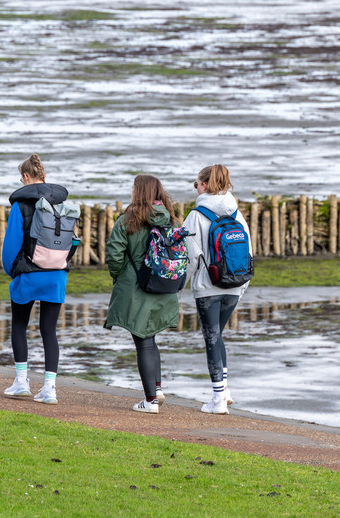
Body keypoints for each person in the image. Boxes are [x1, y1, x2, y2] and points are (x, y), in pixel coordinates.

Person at [105, 174, 182, 414]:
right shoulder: (170, 220)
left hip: (136, 287)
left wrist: (119, 278)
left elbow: (114, 255)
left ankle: (149, 400)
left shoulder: (128, 220)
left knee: (143, 342)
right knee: (150, 338)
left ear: (138, 192)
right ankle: (156, 389)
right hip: (164, 285)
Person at [182, 164, 252, 415]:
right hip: (236, 284)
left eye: (196, 184)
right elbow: (249, 253)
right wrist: (242, 287)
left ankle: (218, 398)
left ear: (203, 185)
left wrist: (180, 288)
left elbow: (191, 258)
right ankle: (225, 390)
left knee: (211, 338)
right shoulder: (236, 214)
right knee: (218, 335)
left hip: (208, 286)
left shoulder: (196, 216)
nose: (196, 188)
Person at [1, 154, 68, 405]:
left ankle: (21, 382)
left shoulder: (20, 205)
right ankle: (49, 388)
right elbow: (71, 241)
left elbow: (11, 245)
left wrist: (12, 271)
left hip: (28, 275)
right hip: (56, 275)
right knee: (48, 331)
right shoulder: (61, 203)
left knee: (19, 325)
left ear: (26, 177)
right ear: (44, 176)